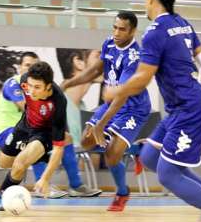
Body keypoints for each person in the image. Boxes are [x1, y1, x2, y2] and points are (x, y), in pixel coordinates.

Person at [91, 0, 201, 222]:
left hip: (189, 110)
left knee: (168, 175)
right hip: (184, 107)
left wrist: (113, 92)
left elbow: (141, 80)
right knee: (149, 155)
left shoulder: (154, 32)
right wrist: (197, 88)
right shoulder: (181, 22)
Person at [61, 11, 151, 211]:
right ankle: (132, 148)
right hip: (112, 104)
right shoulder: (109, 43)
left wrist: (101, 126)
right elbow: (94, 70)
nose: (117, 32)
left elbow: (121, 96)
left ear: (133, 31)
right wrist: (68, 83)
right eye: (115, 27)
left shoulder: (134, 56)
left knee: (111, 155)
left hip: (132, 109)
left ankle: (122, 192)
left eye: (122, 29)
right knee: (86, 141)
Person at [0, 52, 101, 202]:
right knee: (4, 163)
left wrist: (44, 179)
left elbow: (58, 148)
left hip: (43, 132)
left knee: (21, 163)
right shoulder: (23, 82)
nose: (31, 91)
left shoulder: (58, 102)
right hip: (23, 126)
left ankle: (0, 196)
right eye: (30, 86)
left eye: (37, 87)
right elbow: (21, 99)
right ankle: (41, 159)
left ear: (48, 86)